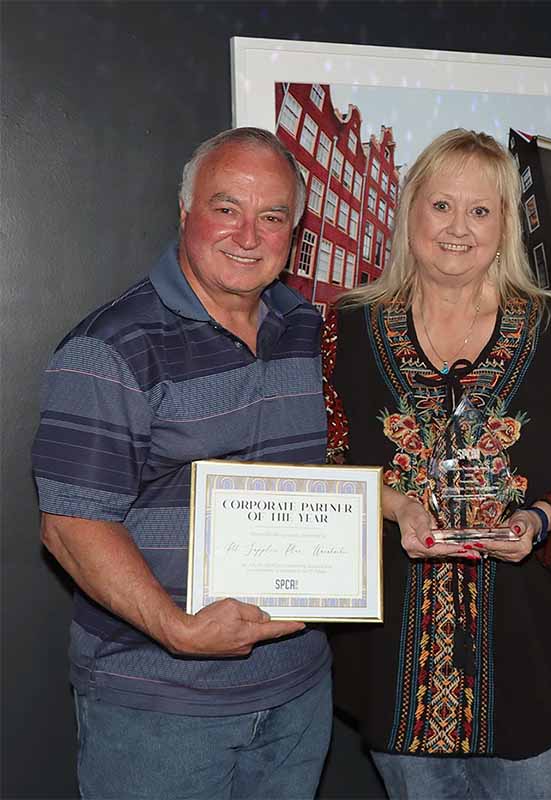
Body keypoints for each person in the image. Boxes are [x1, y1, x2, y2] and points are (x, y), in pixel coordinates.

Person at [32, 127, 332, 799]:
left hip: (298, 691)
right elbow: (72, 526)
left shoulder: (311, 332)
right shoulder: (112, 346)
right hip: (158, 704)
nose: (248, 235)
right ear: (185, 213)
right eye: (227, 208)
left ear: (295, 232)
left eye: (273, 217)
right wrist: (180, 631)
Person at [322, 128, 551, 799]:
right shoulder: (349, 329)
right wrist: (394, 507)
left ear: (505, 223)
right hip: (397, 664)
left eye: (480, 210)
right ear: (411, 211)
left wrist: (537, 522)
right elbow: (325, 460)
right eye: (442, 206)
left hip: (530, 656)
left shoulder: (547, 327)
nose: (459, 227)